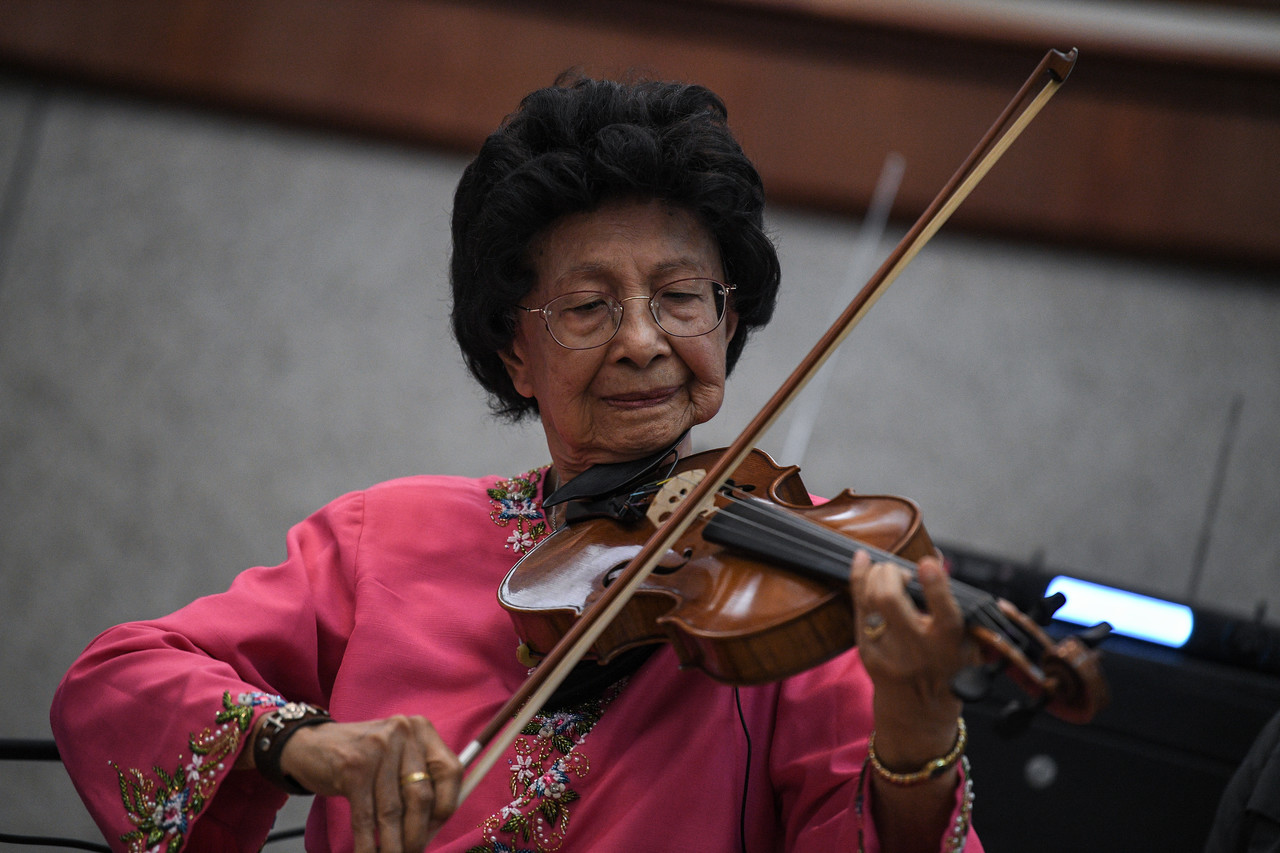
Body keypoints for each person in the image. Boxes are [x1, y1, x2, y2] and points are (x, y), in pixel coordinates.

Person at [51, 74, 981, 853]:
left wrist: (916, 729)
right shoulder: (387, 538)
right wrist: (306, 744)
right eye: (587, 307)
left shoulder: (801, 602)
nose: (642, 341)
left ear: (727, 319)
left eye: (680, 296)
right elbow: (115, 681)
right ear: (514, 354)